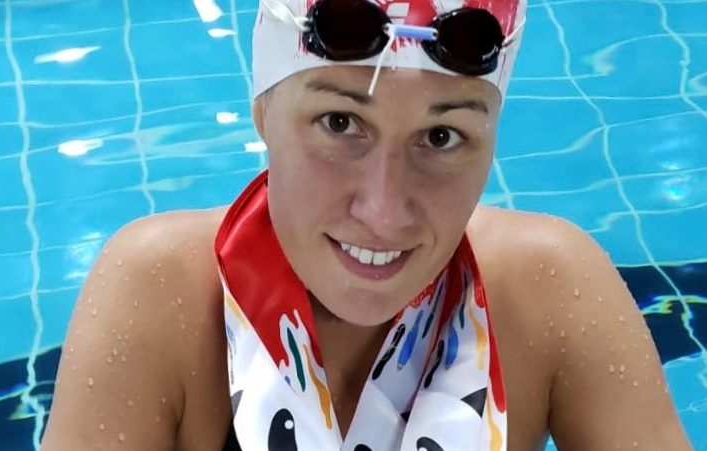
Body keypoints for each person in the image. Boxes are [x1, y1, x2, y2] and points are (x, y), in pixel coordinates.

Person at [41, 0, 691, 449]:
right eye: (340, 123)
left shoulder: (550, 290)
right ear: (264, 113)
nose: (384, 211)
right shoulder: (162, 297)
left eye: (441, 136)